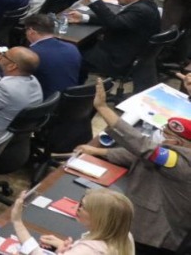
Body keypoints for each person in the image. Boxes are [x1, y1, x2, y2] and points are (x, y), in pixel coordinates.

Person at [75, 78, 191, 251]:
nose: (161, 135)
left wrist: (103, 108)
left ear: (177, 142)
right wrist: (101, 151)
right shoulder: (175, 152)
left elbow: (145, 149)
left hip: (152, 234)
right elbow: (139, 156)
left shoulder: (180, 162)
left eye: (165, 133)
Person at [68, 0, 161, 79]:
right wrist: (83, 17)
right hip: (127, 49)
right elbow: (118, 20)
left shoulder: (140, 11)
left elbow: (114, 22)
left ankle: (75, 86)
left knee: (71, 55)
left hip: (117, 60)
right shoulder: (148, 3)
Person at [23, 13, 82, 98]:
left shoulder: (30, 54)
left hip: (45, 101)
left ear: (31, 31)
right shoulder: (72, 48)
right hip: (71, 99)